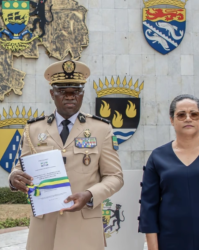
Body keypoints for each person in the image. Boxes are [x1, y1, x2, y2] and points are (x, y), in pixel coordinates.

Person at [9, 60, 124, 250]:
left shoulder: (101, 129)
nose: (70, 97)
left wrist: (90, 194)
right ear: (52, 94)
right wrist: (13, 177)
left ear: (82, 94)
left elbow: (115, 177)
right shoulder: (34, 128)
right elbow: (21, 167)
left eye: (76, 91)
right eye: (63, 92)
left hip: (83, 228)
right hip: (45, 229)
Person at [138, 94, 199, 250]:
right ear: (172, 120)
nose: (188, 118)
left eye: (193, 114)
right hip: (171, 241)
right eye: (181, 115)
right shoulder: (158, 157)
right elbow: (149, 208)